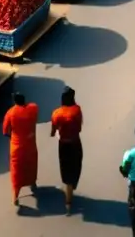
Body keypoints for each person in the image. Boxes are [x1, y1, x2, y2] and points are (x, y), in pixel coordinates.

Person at [50, 86, 83, 214]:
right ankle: (70, 191)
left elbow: (53, 132)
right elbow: (79, 128)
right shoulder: (77, 110)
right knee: (76, 166)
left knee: (65, 168)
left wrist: (58, 133)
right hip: (76, 143)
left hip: (63, 146)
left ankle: (68, 199)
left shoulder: (56, 113)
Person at [3, 92, 39, 207]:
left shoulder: (11, 113)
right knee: (31, 164)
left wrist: (12, 136)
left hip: (16, 147)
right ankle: (32, 183)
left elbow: (5, 130)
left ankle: (15, 196)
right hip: (30, 144)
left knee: (17, 170)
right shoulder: (33, 108)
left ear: (14, 101)